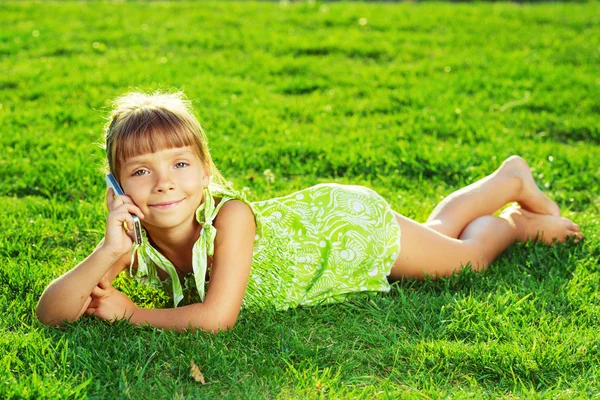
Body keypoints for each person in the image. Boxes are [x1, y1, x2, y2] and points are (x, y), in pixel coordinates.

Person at [36, 91, 584, 333]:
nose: (163, 184)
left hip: (344, 230)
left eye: (180, 164)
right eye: (140, 172)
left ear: (205, 171)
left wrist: (135, 316)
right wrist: (110, 250)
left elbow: (216, 320)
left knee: (464, 260)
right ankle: (506, 184)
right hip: (326, 244)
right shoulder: (132, 239)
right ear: (117, 186)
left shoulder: (231, 218)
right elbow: (51, 312)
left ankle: (512, 213)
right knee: (440, 231)